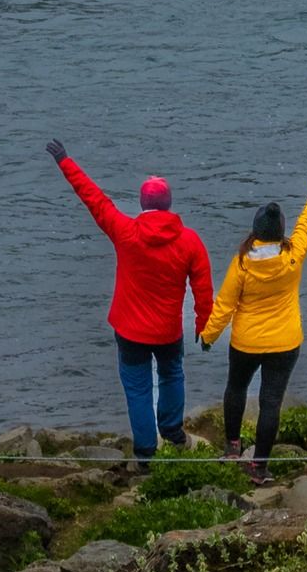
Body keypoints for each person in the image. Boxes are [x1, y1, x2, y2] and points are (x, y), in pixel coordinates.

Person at [47, 138, 213, 461]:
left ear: (142, 204)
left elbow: (94, 199)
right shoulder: (190, 241)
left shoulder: (125, 232)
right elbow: (203, 289)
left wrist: (66, 162)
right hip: (167, 330)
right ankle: (173, 432)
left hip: (130, 330)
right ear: (168, 205)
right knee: (172, 375)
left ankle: (146, 453)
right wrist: (204, 325)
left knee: (137, 389)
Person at [199, 148, 307, 471]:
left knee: (236, 388)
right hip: (285, 343)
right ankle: (260, 468)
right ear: (281, 230)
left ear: (254, 231)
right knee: (270, 403)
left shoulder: (241, 263)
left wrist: (209, 335)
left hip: (246, 342)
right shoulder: (293, 256)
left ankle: (232, 448)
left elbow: (224, 305)